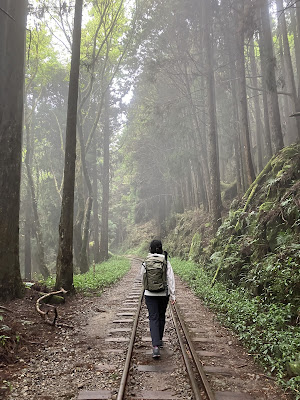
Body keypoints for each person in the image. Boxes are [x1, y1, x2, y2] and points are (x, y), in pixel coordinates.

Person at [141, 239, 176, 358]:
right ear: (161, 248)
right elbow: (170, 279)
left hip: (150, 294)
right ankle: (159, 340)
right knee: (161, 316)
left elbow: (142, 276)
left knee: (153, 317)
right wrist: (173, 295)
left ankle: (155, 346)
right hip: (163, 294)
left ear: (150, 249)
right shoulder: (165, 261)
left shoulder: (146, 261)